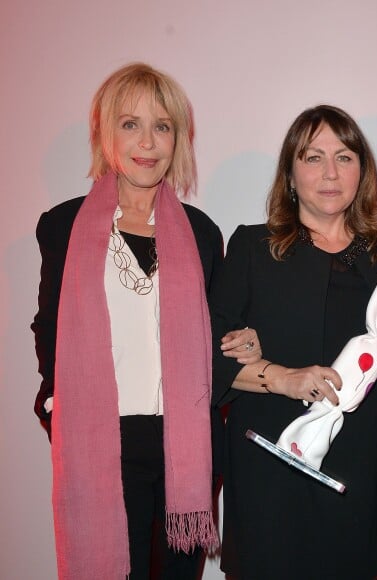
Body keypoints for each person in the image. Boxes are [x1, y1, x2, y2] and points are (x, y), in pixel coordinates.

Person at [31, 62, 261, 580]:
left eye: (162, 126)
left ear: (178, 138)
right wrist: (57, 402)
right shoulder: (63, 226)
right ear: (105, 133)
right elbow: (50, 326)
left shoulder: (201, 233)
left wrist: (242, 343)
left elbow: (211, 338)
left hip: (185, 448)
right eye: (130, 123)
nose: (147, 141)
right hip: (102, 443)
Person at [210, 104, 377, 579]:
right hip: (266, 460)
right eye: (313, 157)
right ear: (290, 175)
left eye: (344, 156)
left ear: (363, 170)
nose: (331, 172)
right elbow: (205, 357)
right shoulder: (252, 248)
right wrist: (281, 377)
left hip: (353, 461)